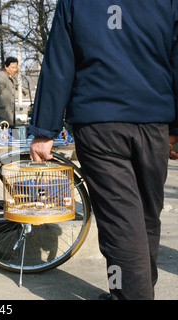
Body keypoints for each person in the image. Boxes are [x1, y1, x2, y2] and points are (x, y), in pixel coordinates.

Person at [28, 0, 178, 300]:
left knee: (120, 222)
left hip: (99, 123)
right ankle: (130, 289)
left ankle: (132, 294)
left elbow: (60, 61)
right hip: (153, 121)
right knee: (146, 216)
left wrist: (44, 130)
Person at [0, 57, 18, 128]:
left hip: (9, 119)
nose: (15, 70)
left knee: (14, 137)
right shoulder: (1, 77)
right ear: (6, 66)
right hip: (1, 119)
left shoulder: (10, 78)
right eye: (12, 67)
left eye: (16, 67)